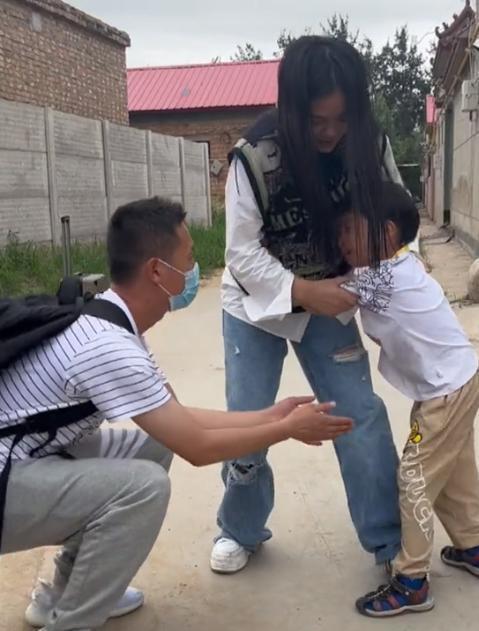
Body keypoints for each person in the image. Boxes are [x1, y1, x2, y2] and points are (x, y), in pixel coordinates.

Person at [0, 197, 353, 631]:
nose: (193, 270)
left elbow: (180, 419)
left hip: (25, 461)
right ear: (156, 270)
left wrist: (271, 416)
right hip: (9, 478)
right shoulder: (109, 347)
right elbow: (198, 447)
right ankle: (71, 622)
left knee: (150, 447)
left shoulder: (113, 321)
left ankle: (63, 593)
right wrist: (286, 430)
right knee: (142, 488)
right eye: (188, 258)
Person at [211, 35, 405, 574]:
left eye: (342, 119)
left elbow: (395, 219)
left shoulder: (369, 146)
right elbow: (241, 252)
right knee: (247, 423)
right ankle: (240, 529)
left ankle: (389, 541)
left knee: (359, 415)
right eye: (317, 120)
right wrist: (301, 290)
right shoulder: (255, 156)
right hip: (256, 308)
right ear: (291, 109)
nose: (330, 132)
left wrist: (375, 280)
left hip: (331, 303)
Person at [337, 182, 479, 617]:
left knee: (415, 477)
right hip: (456, 380)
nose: (341, 240)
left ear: (387, 233)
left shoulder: (378, 277)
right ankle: (473, 545)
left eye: (349, 230)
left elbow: (328, 300)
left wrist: (286, 287)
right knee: (454, 472)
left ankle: (412, 581)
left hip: (444, 391)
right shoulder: (400, 263)